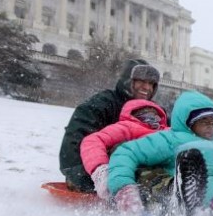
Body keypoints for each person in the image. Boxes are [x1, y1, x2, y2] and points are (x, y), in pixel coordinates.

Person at [59, 59, 161, 192]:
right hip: (100, 170)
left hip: (140, 171)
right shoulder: (104, 103)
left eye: (151, 84)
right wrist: (78, 173)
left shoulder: (154, 113)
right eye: (141, 81)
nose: (146, 87)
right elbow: (77, 134)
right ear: (128, 81)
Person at [80, 99, 169, 200]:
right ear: (133, 115)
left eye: (155, 115)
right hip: (141, 170)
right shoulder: (127, 127)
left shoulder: (167, 131)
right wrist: (100, 169)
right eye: (144, 114)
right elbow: (93, 141)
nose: (151, 118)